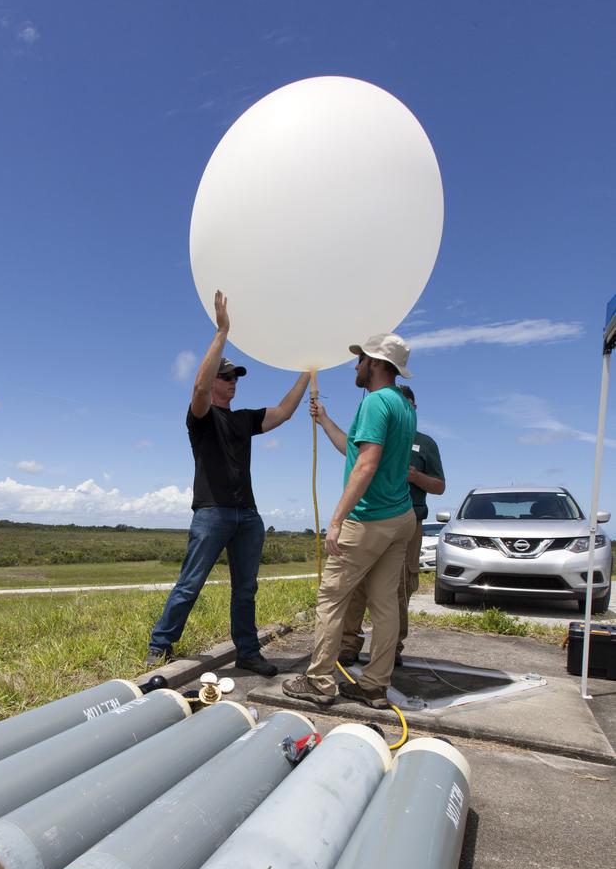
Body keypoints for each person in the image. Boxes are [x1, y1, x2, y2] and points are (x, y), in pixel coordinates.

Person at [146, 291, 310, 676]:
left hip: (247, 516)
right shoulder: (201, 417)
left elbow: (284, 413)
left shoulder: (243, 420)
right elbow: (199, 391)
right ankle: (160, 644)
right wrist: (222, 331)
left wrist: (308, 371)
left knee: (246, 589)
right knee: (191, 583)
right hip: (211, 513)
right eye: (226, 376)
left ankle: (248, 653)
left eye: (235, 377)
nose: (233, 382)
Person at [282, 334, 416, 710]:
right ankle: (374, 686)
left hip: (368, 520)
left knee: (331, 598)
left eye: (360, 360)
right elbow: (353, 450)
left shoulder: (375, 402)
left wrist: (337, 519)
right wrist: (325, 421)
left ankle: (320, 681)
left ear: (375, 363)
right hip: (400, 518)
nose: (355, 366)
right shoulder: (404, 406)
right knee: (385, 603)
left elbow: (366, 464)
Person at [333, 385, 445, 666]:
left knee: (397, 588)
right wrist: (323, 419)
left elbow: (440, 486)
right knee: (355, 585)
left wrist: (415, 476)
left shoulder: (425, 444)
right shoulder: (374, 436)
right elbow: (354, 455)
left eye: (404, 405)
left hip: (408, 522)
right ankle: (348, 645)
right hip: (368, 519)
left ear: (412, 410)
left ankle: (390, 650)